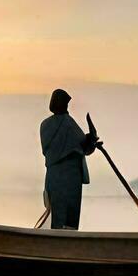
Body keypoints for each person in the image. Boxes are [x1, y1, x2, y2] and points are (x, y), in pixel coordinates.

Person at [39, 88, 99, 230]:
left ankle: (57, 240)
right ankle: (64, 242)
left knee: (57, 214)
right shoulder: (67, 123)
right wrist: (92, 139)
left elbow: (77, 144)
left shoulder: (45, 125)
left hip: (53, 175)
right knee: (68, 216)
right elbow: (84, 147)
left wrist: (89, 140)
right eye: (66, 104)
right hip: (70, 176)